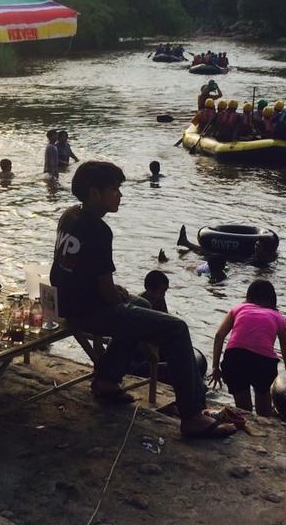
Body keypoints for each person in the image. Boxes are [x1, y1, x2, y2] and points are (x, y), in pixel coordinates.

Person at [50, 161, 236, 440]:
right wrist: (116, 294)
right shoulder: (99, 230)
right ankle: (193, 415)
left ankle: (106, 379)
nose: (119, 195)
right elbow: (107, 293)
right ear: (94, 193)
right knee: (176, 328)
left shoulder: (69, 216)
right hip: (87, 310)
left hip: (66, 301)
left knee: (142, 307)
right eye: (114, 190)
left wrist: (117, 293)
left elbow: (80, 271)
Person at [210, 280, 286, 416]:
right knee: (264, 408)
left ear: (248, 297)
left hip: (234, 358)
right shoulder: (278, 317)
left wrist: (215, 366)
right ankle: (264, 422)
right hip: (263, 362)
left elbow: (219, 335)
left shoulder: (237, 309)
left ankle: (245, 423)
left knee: (244, 410)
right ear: (272, 299)